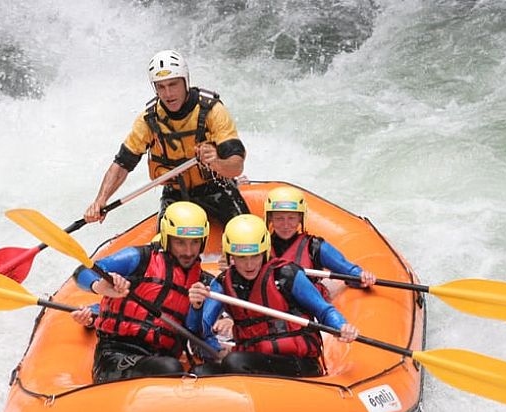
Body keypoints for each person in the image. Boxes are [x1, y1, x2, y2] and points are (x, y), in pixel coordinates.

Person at [84, 49, 250, 227]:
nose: (168, 94)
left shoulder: (212, 111)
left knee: (246, 231)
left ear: (185, 81)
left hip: (217, 188)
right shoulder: (149, 119)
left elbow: (236, 167)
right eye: (161, 87)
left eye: (173, 84)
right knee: (162, 249)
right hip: (176, 194)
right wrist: (100, 200)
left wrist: (216, 162)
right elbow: (122, 164)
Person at [187, 214, 360, 378]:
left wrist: (341, 326)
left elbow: (324, 311)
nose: (249, 264)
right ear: (230, 256)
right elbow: (198, 331)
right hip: (254, 361)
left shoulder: (286, 274)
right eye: (241, 257)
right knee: (202, 371)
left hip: (298, 364)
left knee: (235, 361)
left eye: (255, 256)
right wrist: (196, 307)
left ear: (264, 252)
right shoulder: (223, 283)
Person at [71, 201, 213, 383]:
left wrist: (197, 306)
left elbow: (195, 333)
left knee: (194, 369)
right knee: (170, 368)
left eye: (195, 243)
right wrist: (99, 285)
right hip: (116, 354)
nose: (188, 251)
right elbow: (82, 271)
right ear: (167, 238)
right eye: (180, 242)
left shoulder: (203, 283)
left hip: (160, 357)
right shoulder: (139, 258)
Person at [265, 185, 376, 293]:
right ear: (270, 218)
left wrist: (361, 277)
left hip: (305, 308)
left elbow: (348, 272)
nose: (286, 225)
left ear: (300, 218)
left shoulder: (314, 247)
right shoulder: (259, 248)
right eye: (279, 218)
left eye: (291, 218)